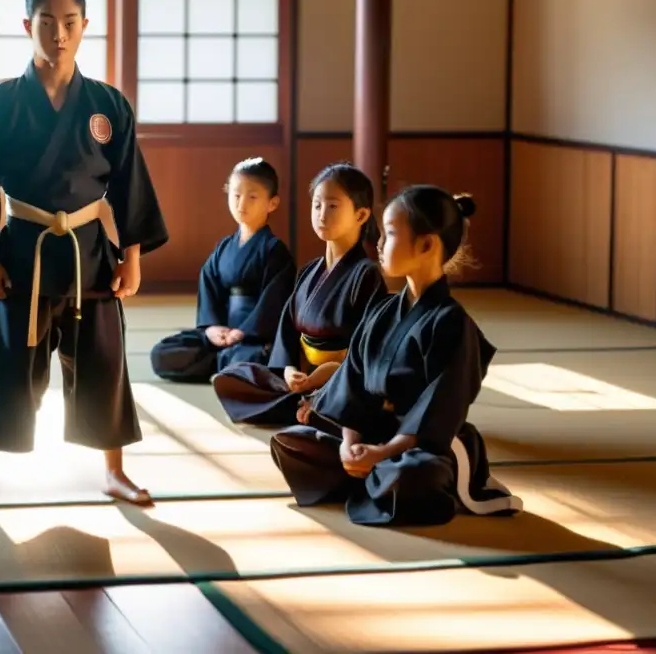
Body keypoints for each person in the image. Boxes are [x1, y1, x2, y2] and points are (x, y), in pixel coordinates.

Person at [0, 0, 168, 510]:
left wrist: (131, 255)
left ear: (85, 26)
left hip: (89, 247)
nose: (59, 34)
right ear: (27, 26)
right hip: (22, 245)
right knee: (1, 358)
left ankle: (114, 471)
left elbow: (129, 183)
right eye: (47, 23)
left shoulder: (108, 105)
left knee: (104, 360)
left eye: (70, 23)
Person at [271, 186, 524, 527]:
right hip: (374, 432)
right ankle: (365, 474)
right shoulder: (383, 310)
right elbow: (353, 384)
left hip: (423, 443)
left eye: (389, 233)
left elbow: (439, 410)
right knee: (290, 442)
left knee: (416, 474)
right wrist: (350, 443)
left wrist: (382, 452)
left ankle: (370, 476)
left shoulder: (452, 323)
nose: (378, 242)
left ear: (426, 245)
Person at [211, 163, 388, 426]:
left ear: (361, 215)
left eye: (333, 206)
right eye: (317, 205)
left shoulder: (366, 275)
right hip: (301, 379)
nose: (322, 214)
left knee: (348, 400)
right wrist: (290, 369)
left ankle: (318, 407)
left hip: (339, 379)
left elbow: (366, 352)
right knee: (233, 376)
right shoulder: (309, 271)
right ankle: (308, 407)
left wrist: (319, 379)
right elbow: (288, 332)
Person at [149, 158, 296, 383]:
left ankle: (228, 364)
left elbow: (274, 302)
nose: (241, 204)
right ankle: (227, 365)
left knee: (257, 355)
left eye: (252, 197)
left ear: (272, 203)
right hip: (222, 335)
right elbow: (209, 288)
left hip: (254, 339)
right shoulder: (224, 248)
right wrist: (212, 328)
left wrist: (244, 332)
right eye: (236, 195)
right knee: (162, 353)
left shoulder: (275, 250)